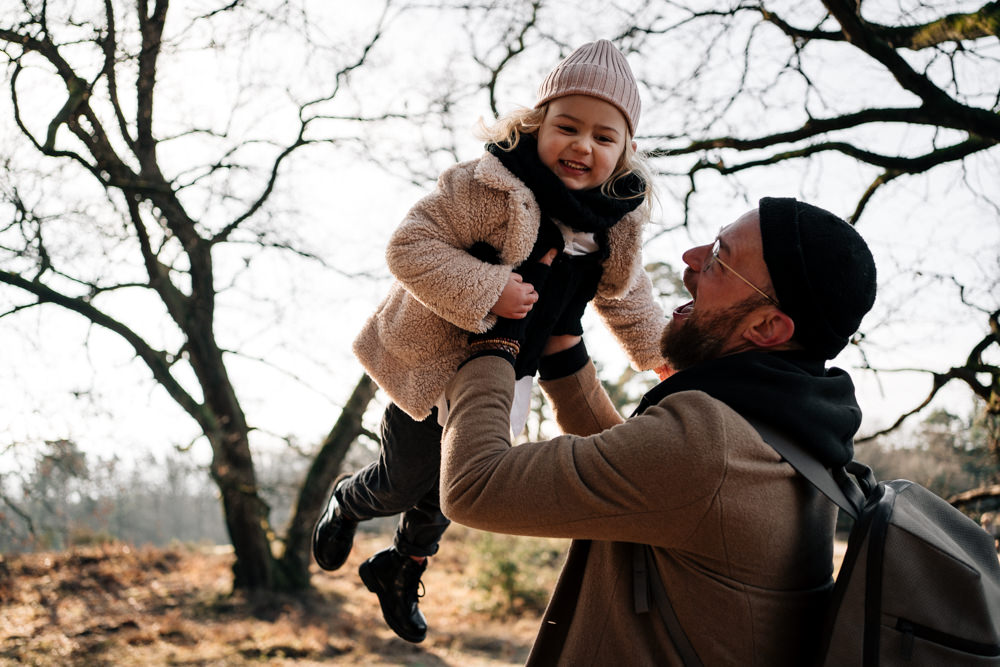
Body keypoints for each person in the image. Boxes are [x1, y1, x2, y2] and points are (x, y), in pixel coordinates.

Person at [312, 39, 670, 643]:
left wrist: (665, 358)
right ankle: (349, 500)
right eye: (568, 127)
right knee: (405, 478)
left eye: (604, 137)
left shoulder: (615, 220)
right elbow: (410, 247)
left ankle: (402, 566)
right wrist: (489, 287)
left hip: (508, 369)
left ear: (626, 150)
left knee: (454, 489)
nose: (583, 146)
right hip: (438, 357)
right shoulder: (490, 187)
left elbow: (626, 296)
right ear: (536, 126)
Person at [439, 197, 878, 665]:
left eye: (718, 260)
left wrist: (495, 341)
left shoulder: (711, 448)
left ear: (766, 326)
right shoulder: (795, 435)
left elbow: (475, 484)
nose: (690, 259)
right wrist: (563, 347)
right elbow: (638, 476)